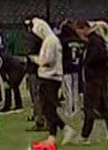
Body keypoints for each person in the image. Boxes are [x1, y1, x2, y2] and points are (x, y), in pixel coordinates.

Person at [32, 17, 73, 146]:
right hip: (52, 76)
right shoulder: (52, 40)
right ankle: (54, 134)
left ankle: (63, 129)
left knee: (48, 107)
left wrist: (35, 60)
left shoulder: (50, 41)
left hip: (49, 77)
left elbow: (47, 60)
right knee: (48, 108)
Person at [78, 20, 108, 144]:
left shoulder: (94, 41)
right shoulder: (96, 40)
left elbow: (99, 57)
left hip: (95, 79)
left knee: (90, 108)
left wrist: (87, 63)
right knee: (105, 108)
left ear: (84, 28)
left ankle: (85, 136)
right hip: (100, 78)